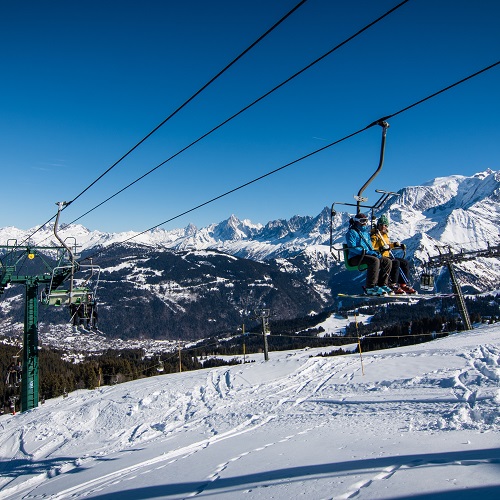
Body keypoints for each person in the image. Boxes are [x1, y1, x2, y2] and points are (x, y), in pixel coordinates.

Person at [345, 213, 393, 296]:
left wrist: (375, 253)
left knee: (387, 261)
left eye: (366, 221)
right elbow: (352, 247)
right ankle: (370, 287)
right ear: (356, 221)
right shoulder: (351, 232)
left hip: (365, 256)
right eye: (362, 221)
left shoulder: (366, 234)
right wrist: (366, 252)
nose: (364, 223)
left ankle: (382, 284)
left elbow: (370, 247)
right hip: (355, 257)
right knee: (374, 260)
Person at [370, 215, 416, 294]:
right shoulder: (375, 235)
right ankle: (392, 284)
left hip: (387, 255)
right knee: (395, 263)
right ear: (378, 225)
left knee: (404, 262)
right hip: (380, 256)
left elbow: (387, 245)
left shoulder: (384, 235)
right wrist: (381, 249)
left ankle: (403, 284)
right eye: (381, 224)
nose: (383, 226)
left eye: (385, 225)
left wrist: (394, 245)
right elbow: (372, 248)